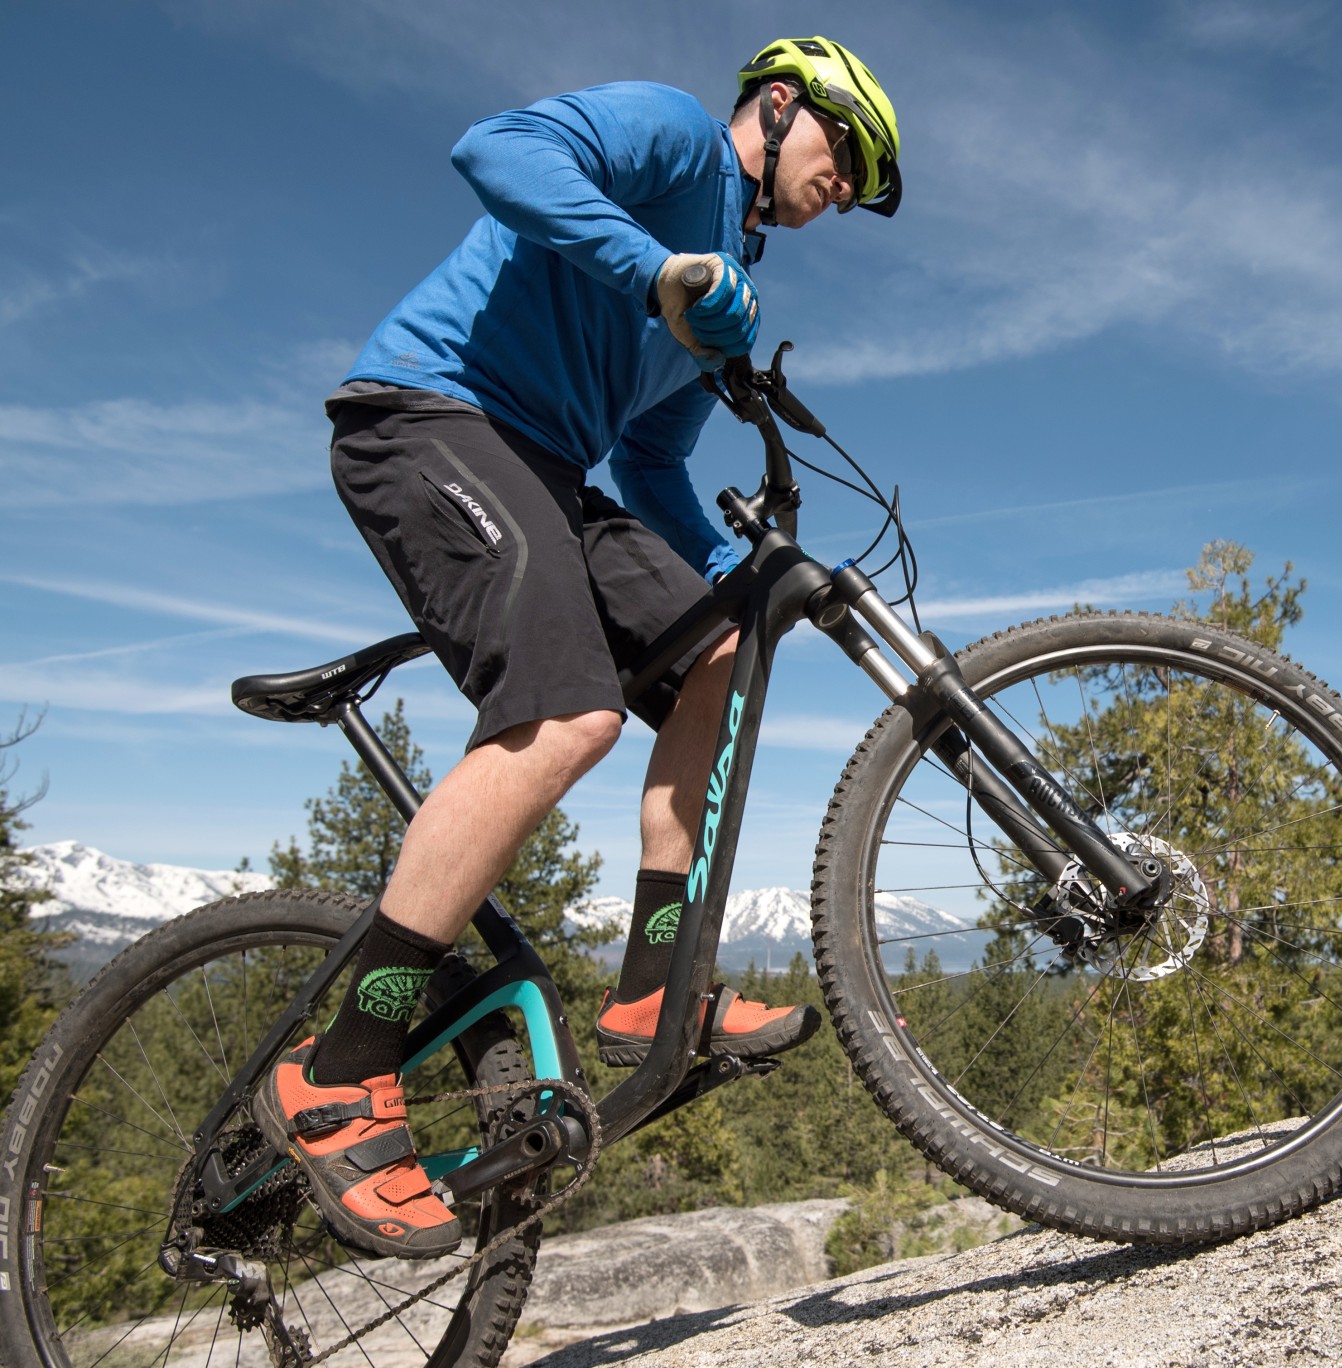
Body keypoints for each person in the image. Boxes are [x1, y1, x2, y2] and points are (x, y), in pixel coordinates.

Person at [252, 37, 903, 1260]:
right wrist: (657, 269)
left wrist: (737, 576)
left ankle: (654, 986)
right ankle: (338, 1073)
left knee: (720, 654)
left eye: (863, 184)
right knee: (568, 715)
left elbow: (650, 462)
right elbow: (495, 151)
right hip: (429, 414)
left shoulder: (726, 292)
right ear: (779, 106)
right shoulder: (674, 138)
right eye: (847, 152)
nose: (847, 187)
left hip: (550, 470)